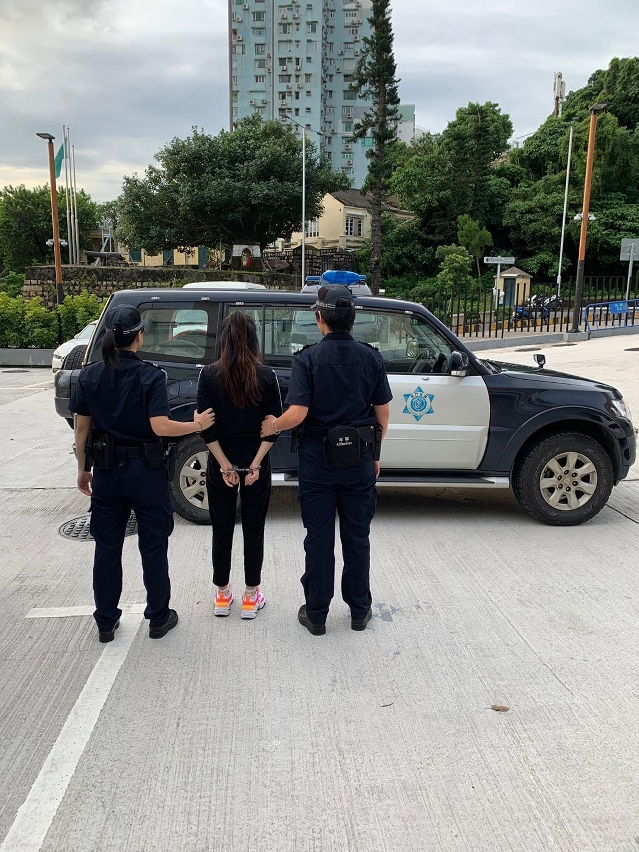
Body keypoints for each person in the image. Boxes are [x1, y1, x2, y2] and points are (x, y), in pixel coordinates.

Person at [70, 305, 214, 643]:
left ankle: (106, 621)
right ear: (139, 336)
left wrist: (83, 469)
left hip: (106, 471)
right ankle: (159, 618)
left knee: (107, 547)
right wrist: (196, 425)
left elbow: (82, 430)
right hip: (145, 472)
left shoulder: (89, 376)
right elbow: (160, 426)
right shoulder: (151, 376)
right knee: (153, 546)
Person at [261, 283, 392, 635]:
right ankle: (359, 612)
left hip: (317, 461)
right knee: (357, 536)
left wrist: (272, 425)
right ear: (352, 319)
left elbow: (298, 413)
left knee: (318, 538)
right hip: (359, 459)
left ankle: (317, 614)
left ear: (320, 318)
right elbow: (383, 415)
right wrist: (374, 454)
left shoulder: (306, 359)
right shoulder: (371, 358)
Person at [197, 311, 283, 619]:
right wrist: (256, 465)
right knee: (254, 528)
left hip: (221, 463)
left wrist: (224, 466)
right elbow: (273, 426)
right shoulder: (267, 376)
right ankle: (250, 596)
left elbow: (205, 427)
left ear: (223, 340)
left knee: (221, 528)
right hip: (255, 462)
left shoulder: (209, 375)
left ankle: (222, 595)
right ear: (254, 339)